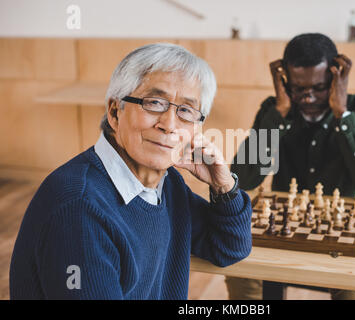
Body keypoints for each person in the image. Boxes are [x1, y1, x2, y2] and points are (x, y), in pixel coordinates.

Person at [9, 43, 252, 300]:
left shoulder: (166, 185)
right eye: (155, 103)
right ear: (115, 112)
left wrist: (224, 187)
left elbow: (229, 248)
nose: (169, 125)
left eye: (185, 111)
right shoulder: (79, 208)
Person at [226, 33, 355, 300]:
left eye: (319, 87)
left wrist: (343, 115)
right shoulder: (275, 110)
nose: (309, 97)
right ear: (285, 81)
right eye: (298, 88)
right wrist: (279, 112)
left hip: (341, 233)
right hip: (281, 229)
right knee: (238, 269)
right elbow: (244, 179)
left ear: (337, 78)